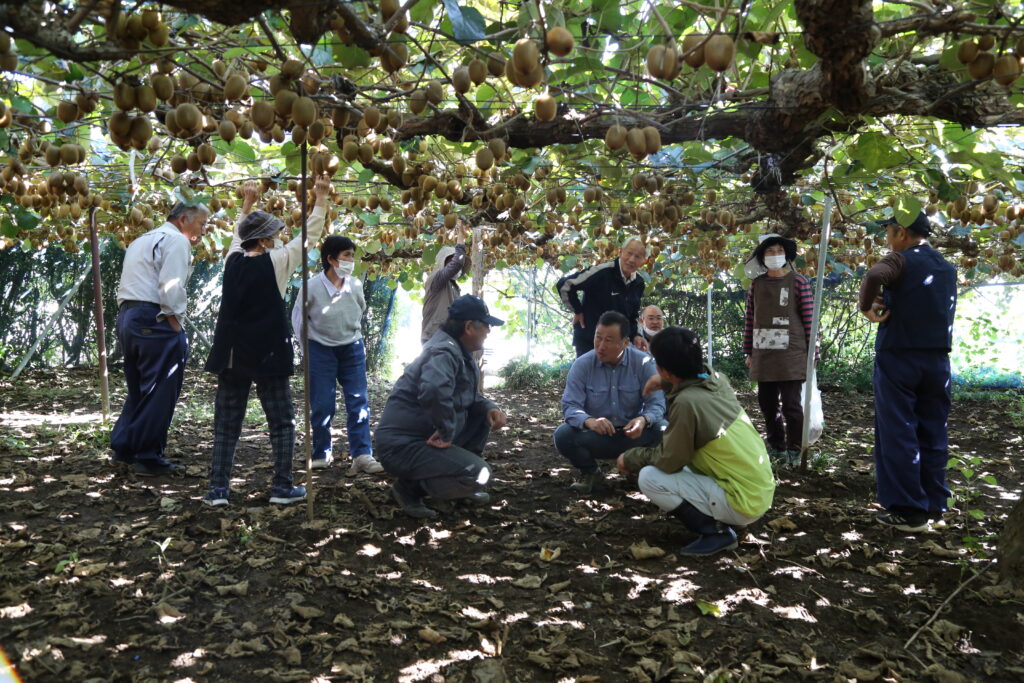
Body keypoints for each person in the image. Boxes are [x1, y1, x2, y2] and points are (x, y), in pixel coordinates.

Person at [201, 176, 331, 507]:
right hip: (268, 353)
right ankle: (282, 487)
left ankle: (218, 490)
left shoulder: (231, 260)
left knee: (227, 425)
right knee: (282, 422)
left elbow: (235, 235)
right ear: (264, 241)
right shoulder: (277, 262)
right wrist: (320, 197)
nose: (276, 240)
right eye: (272, 236)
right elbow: (310, 236)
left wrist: (247, 201)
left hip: (232, 354)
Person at [617, 327, 776, 556]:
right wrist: (664, 382)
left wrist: (630, 458)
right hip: (758, 492)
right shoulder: (715, 379)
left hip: (741, 501)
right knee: (684, 454)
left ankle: (716, 532)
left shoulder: (686, 403)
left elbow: (669, 460)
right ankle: (729, 521)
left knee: (650, 477)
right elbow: (689, 382)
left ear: (665, 370)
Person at [859, 211, 956, 532]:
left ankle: (909, 510)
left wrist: (866, 307)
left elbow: (874, 275)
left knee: (898, 429)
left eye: (888, 231)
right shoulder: (945, 267)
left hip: (899, 357)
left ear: (901, 232)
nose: (886, 238)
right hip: (938, 360)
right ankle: (934, 505)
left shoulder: (901, 259)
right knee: (933, 430)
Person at [376, 295, 507, 519]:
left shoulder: (457, 350)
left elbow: (467, 396)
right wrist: (446, 430)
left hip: (420, 437)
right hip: (401, 446)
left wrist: (489, 407)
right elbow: (434, 389)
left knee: (480, 415)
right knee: (481, 474)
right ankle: (409, 489)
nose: (489, 331)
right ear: (469, 327)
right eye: (486, 325)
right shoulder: (443, 352)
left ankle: (459, 483)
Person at [110, 199, 209, 476]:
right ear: (184, 220)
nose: (203, 230)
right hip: (155, 318)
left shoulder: (143, 238)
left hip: (129, 316)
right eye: (201, 223)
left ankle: (125, 447)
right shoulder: (176, 240)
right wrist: (175, 322)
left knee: (140, 387)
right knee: (160, 388)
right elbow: (171, 286)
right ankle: (148, 455)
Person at [291, 235, 383, 475]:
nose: (351, 261)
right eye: (346, 256)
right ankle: (321, 451)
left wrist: (349, 333)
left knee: (358, 401)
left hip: (352, 346)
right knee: (322, 403)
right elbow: (299, 320)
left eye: (352, 255)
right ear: (331, 259)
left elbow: (359, 310)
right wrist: (307, 349)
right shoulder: (310, 286)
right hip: (319, 348)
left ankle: (362, 454)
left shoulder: (355, 285)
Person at [554, 310, 666, 494]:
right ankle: (592, 474)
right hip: (598, 436)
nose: (601, 346)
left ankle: (641, 470)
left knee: (665, 431)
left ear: (625, 342)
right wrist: (589, 421)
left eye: (609, 340)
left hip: (635, 436)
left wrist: (643, 420)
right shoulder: (582, 365)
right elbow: (570, 406)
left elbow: (657, 404)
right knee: (563, 435)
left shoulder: (644, 363)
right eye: (598, 338)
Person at [742, 234, 816, 465]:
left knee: (792, 405)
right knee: (767, 403)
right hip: (764, 351)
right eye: (769, 252)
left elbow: (810, 320)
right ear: (762, 258)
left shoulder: (798, 281)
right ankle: (777, 448)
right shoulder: (757, 283)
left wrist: (814, 352)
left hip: (792, 352)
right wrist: (749, 351)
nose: (775, 256)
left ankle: (796, 450)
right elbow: (750, 318)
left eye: (778, 251)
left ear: (786, 255)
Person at [556, 236, 648, 356]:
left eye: (637, 256)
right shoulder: (602, 272)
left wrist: (637, 335)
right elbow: (565, 285)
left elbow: (632, 316)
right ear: (620, 251)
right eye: (629, 253)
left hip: (617, 348)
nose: (631, 259)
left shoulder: (639, 283)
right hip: (590, 343)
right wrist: (577, 310)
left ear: (644, 261)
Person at [421, 223, 469, 343]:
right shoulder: (436, 279)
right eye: (450, 261)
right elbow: (456, 264)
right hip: (434, 338)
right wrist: (461, 236)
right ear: (442, 264)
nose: (458, 268)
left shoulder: (454, 288)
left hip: (447, 339)